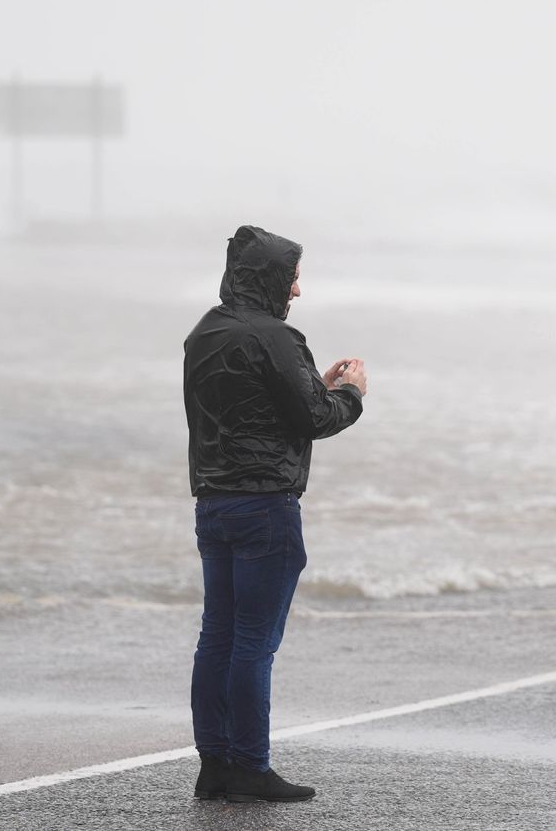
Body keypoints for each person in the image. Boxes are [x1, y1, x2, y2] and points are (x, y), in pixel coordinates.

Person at [182, 224, 367, 803]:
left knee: (217, 637)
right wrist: (352, 394)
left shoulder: (204, 334)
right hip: (266, 507)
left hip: (212, 503)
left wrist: (317, 383)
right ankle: (252, 768)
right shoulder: (276, 338)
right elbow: (315, 419)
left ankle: (214, 766)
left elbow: (255, 405)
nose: (297, 292)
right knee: (254, 642)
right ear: (269, 279)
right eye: (292, 279)